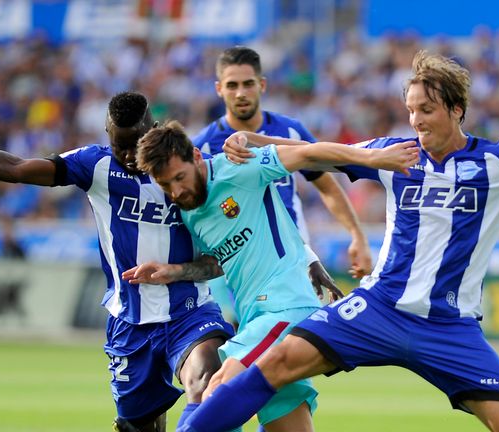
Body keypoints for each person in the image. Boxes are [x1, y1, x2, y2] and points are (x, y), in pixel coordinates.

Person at [174, 50, 499, 432]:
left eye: (427, 110)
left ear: (457, 110)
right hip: (379, 307)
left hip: (449, 325)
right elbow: (314, 155)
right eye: (411, 109)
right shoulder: (397, 154)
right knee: (276, 362)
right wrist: (250, 138)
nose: (416, 120)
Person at [0, 92, 235, 432]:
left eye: (134, 145)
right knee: (139, 427)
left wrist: (176, 272)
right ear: (108, 134)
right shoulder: (95, 165)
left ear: (151, 133)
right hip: (130, 323)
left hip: (189, 311)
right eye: (118, 145)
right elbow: (17, 168)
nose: (126, 155)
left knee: (206, 381)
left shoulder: (188, 170)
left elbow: (222, 258)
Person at [132, 121, 418, 432]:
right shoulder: (189, 211)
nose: (176, 192)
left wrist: (372, 159)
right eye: (165, 185)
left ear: (197, 157)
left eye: (179, 178)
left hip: (285, 307)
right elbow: (217, 262)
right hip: (255, 319)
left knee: (215, 393)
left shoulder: (237, 167)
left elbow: (308, 154)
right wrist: (172, 272)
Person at [192, 46, 373, 323]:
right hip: (240, 264)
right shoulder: (203, 146)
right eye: (232, 85)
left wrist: (356, 235)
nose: (241, 93)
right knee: (249, 347)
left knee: (294, 345)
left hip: (293, 257)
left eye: (248, 84)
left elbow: (326, 186)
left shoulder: (289, 131)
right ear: (219, 89)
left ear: (262, 85)